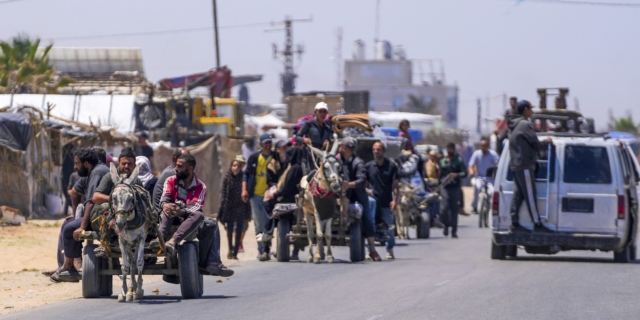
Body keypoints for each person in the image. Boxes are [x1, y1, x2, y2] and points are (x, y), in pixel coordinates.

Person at [159, 154, 234, 276]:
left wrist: (181, 211)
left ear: (190, 169)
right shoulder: (171, 180)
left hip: (187, 219)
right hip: (169, 216)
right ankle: (160, 240)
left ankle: (173, 241)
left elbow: (195, 207)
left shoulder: (200, 186)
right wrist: (165, 205)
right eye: (176, 165)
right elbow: (165, 197)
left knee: (199, 216)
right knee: (169, 208)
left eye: (179, 166)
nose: (176, 168)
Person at [51, 148, 109, 282]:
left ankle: (70, 265)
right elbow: (75, 192)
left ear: (86, 163)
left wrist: (82, 226)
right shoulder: (93, 172)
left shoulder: (97, 173)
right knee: (68, 224)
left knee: (69, 229)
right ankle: (71, 264)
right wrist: (75, 215)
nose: (75, 166)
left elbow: (90, 202)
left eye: (77, 163)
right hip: (96, 215)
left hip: (101, 217)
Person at [507, 100, 553, 233]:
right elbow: (536, 144)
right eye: (530, 109)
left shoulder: (514, 124)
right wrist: (547, 142)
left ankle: (514, 224)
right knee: (530, 195)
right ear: (525, 109)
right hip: (525, 165)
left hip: (516, 165)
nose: (532, 112)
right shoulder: (525, 124)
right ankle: (537, 224)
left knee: (518, 195)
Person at [339, 138, 381, 261]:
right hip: (340, 195)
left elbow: (362, 180)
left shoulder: (358, 163)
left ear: (344, 149)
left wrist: (348, 185)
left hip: (357, 195)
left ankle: (372, 249)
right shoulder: (337, 160)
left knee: (367, 218)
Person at [264, 147, 305, 260]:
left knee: (269, 206)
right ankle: (267, 244)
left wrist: (275, 195)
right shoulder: (292, 167)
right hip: (290, 197)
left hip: (290, 199)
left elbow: (288, 187)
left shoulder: (295, 168)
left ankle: (268, 237)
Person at [242, 133, 276, 261]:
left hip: (271, 196)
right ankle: (261, 250)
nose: (268, 145)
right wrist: (244, 190)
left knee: (269, 223)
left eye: (269, 142)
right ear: (261, 144)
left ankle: (267, 249)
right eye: (265, 142)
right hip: (255, 195)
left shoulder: (275, 157)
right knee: (258, 224)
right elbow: (246, 174)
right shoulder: (254, 157)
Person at [366, 141, 399, 260]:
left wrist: (395, 200)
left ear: (384, 151)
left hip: (386, 202)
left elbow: (395, 185)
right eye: (374, 149)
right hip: (372, 203)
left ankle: (389, 249)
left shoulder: (391, 166)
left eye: (378, 149)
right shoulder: (368, 166)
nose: (376, 151)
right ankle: (369, 250)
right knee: (370, 226)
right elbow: (364, 184)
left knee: (389, 227)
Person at [219, 156, 250, 260]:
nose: (236, 168)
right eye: (234, 165)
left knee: (239, 229)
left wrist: (247, 211)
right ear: (231, 166)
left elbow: (247, 194)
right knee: (230, 230)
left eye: (238, 166)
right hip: (229, 206)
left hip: (241, 206)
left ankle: (235, 252)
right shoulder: (227, 178)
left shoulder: (243, 178)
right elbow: (223, 194)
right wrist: (222, 208)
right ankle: (230, 249)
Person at [439, 142, 467, 238]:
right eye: (448, 149)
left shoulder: (458, 160)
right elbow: (440, 175)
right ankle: (446, 225)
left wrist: (457, 174)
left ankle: (454, 231)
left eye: (451, 149)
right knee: (444, 208)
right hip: (445, 187)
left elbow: (465, 173)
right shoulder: (443, 161)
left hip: (455, 188)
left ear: (454, 150)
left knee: (454, 210)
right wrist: (438, 187)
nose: (449, 151)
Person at [468, 137, 500, 214]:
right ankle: (475, 206)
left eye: (484, 146)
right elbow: (470, 165)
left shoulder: (493, 154)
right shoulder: (476, 154)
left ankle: (491, 207)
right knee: (477, 188)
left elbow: (498, 164)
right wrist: (471, 172)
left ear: (487, 146)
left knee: (492, 191)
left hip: (490, 178)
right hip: (479, 177)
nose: (483, 148)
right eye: (481, 146)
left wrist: (496, 174)